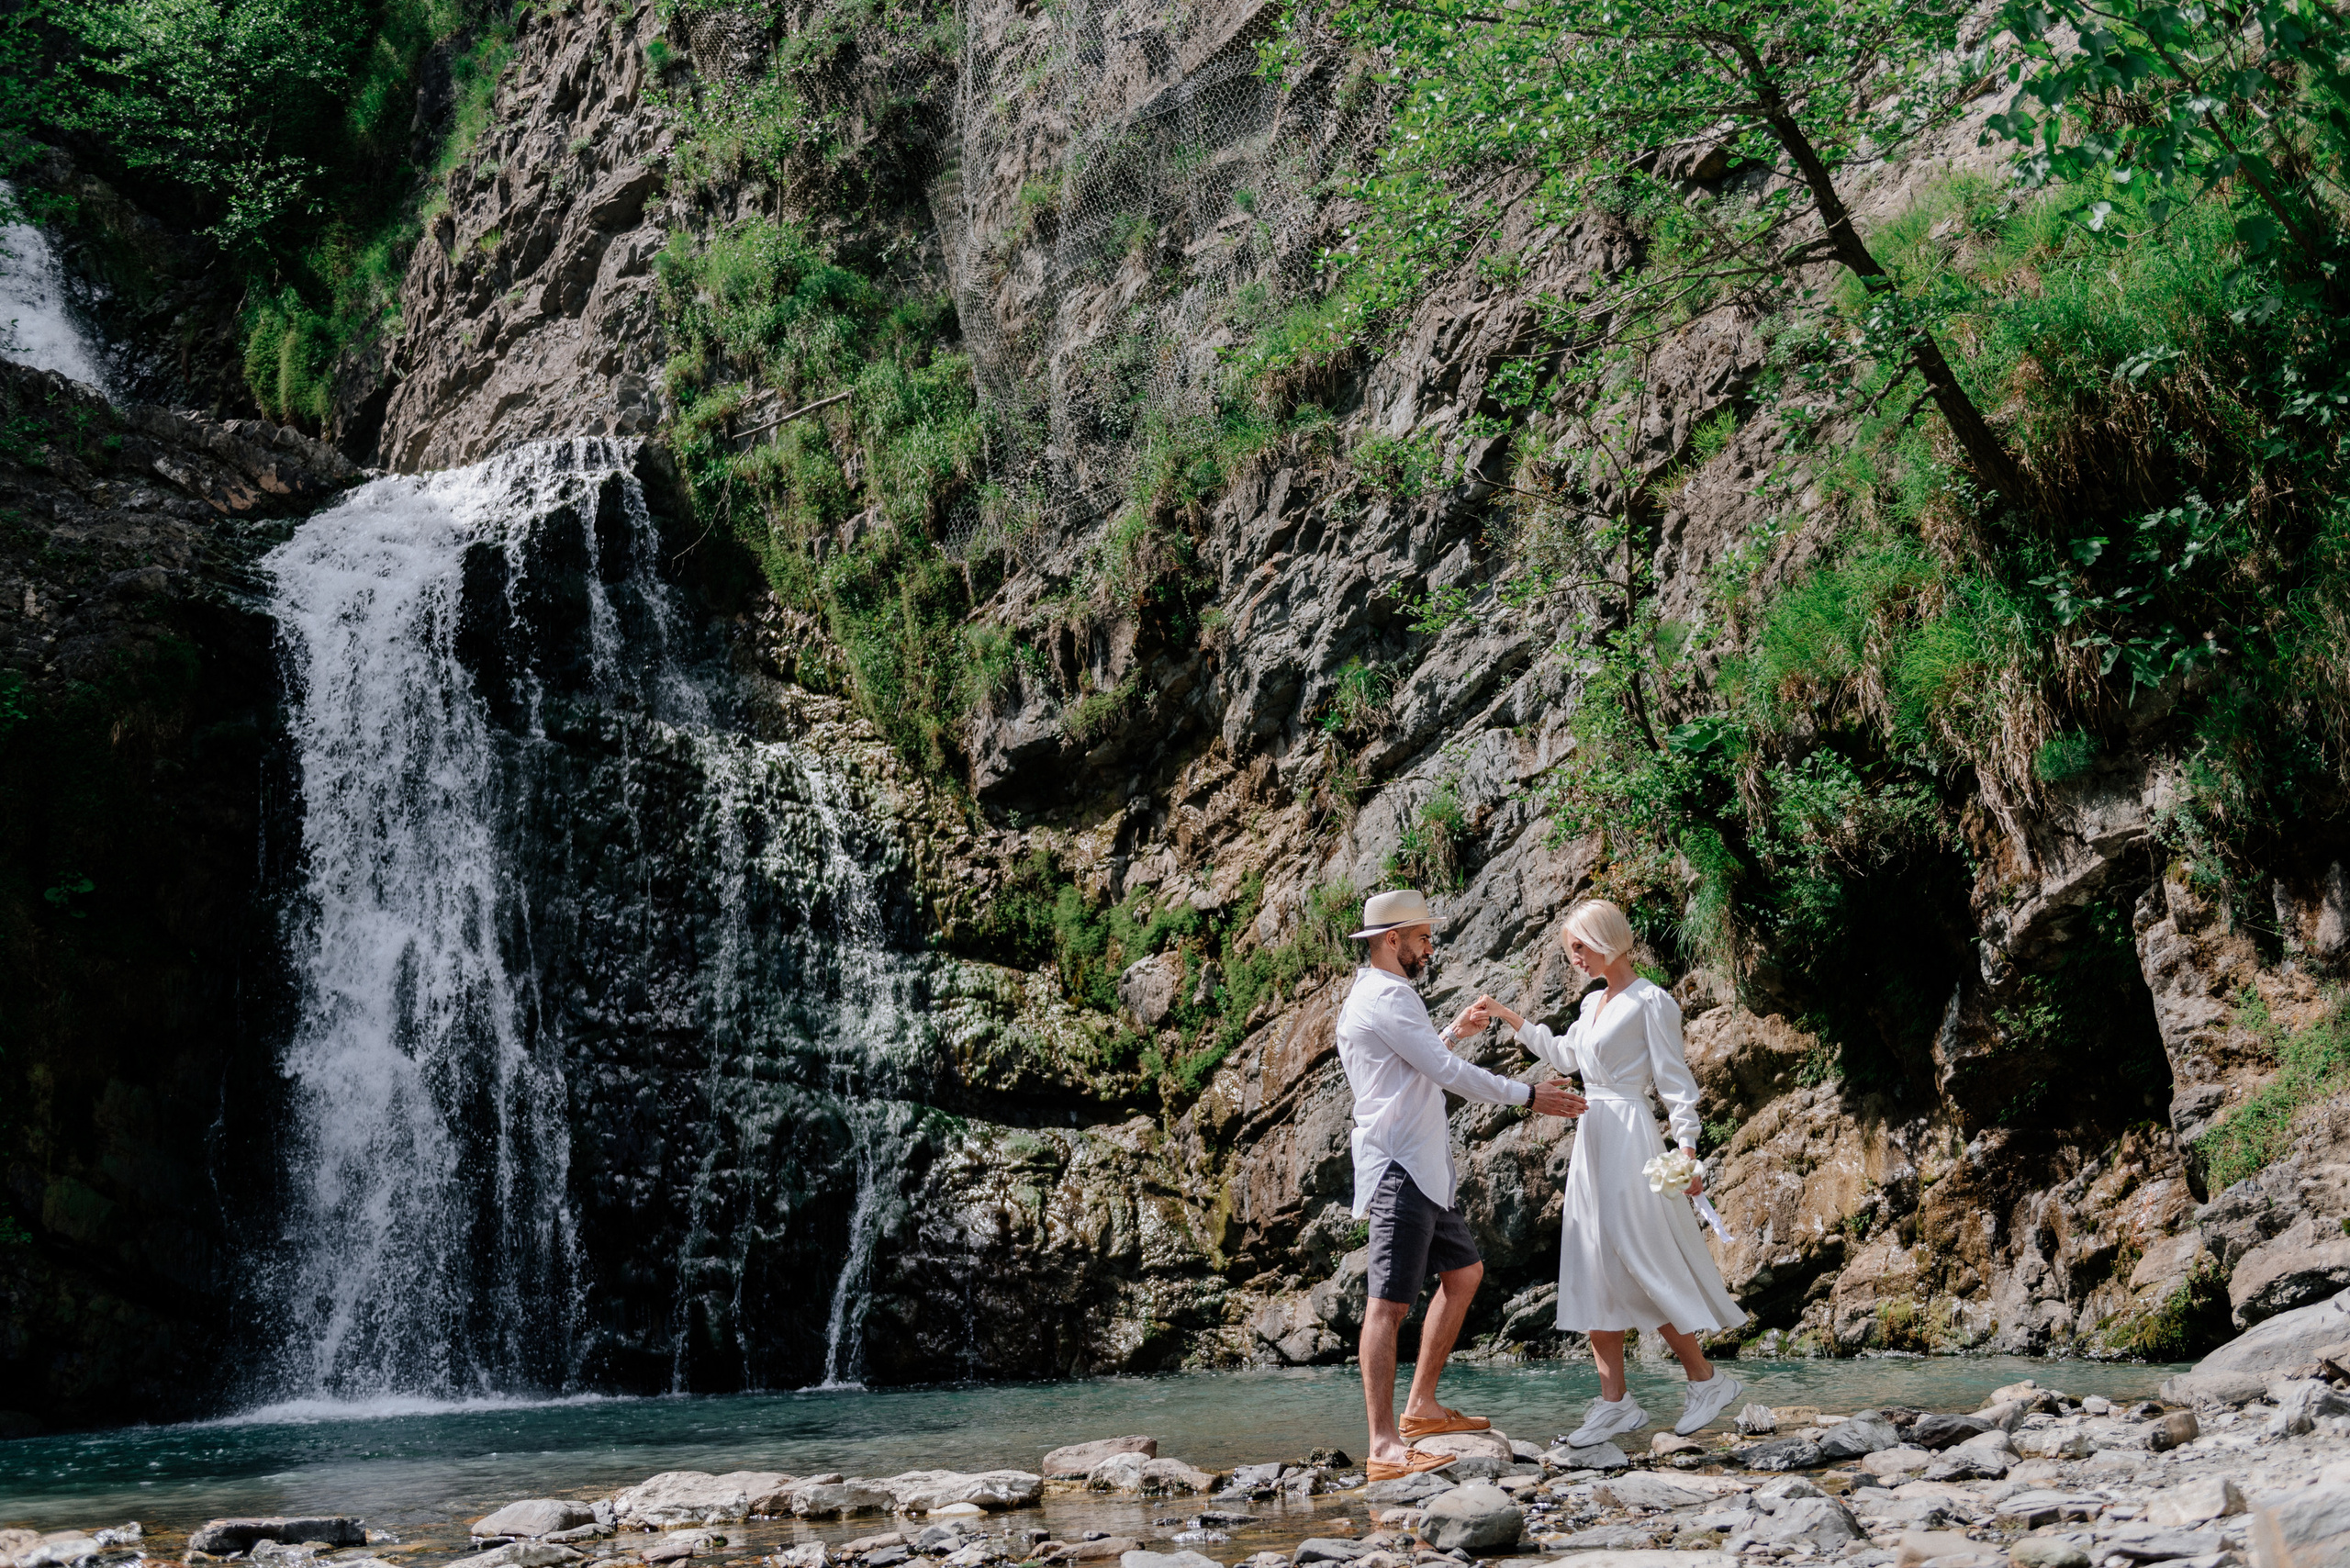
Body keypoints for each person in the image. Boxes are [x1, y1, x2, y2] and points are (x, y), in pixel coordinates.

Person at [1474, 898, 1749, 1446]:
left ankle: (1707, 1379)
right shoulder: (1591, 1003)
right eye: (1569, 949)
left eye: (1579, 946)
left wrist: (1687, 1149)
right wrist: (1509, 1017)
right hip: (1593, 1135)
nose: (1574, 957)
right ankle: (1615, 1403)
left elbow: (1675, 1082)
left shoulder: (1651, 1001)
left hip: (1629, 1134)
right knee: (1592, 1262)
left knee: (1640, 1256)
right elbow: (1566, 1057)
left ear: (1605, 937)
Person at [1337, 888, 1587, 1481]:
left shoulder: (1386, 993)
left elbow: (1417, 1063)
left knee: (1465, 1273)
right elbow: (1444, 1073)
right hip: (1400, 1166)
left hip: (1422, 1168)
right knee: (1387, 1306)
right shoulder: (1385, 996)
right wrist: (1529, 1095)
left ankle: (1421, 1408)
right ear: (1392, 939)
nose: (1431, 947)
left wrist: (1452, 1030)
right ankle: (1384, 1447)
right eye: (1423, 938)